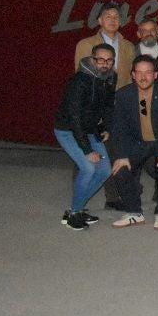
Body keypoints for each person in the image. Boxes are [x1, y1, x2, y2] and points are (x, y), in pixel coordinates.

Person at [108, 55, 158, 229]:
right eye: (139, 72)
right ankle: (134, 213)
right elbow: (118, 128)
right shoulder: (124, 95)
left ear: (156, 75)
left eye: (148, 72)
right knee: (120, 169)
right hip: (137, 142)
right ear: (133, 75)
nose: (144, 77)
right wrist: (121, 155)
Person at [54, 42, 116, 230]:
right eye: (100, 60)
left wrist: (106, 128)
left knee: (105, 171)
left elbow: (106, 107)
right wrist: (87, 150)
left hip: (90, 130)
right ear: (92, 59)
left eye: (109, 60)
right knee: (88, 168)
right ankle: (74, 214)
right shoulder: (79, 81)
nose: (104, 64)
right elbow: (74, 117)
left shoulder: (108, 79)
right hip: (68, 130)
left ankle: (77, 208)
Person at [74, 1, 135, 88]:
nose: (113, 20)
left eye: (116, 17)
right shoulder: (85, 44)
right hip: (95, 98)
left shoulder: (129, 47)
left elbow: (130, 77)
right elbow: (81, 76)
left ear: (120, 21)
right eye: (108, 17)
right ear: (100, 21)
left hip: (122, 97)